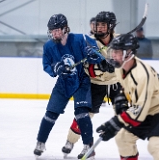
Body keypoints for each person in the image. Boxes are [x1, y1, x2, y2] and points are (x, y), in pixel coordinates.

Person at [33, 13, 100, 159]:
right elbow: (47, 65)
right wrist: (55, 68)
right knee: (51, 113)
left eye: (56, 30)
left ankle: (88, 146)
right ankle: (40, 142)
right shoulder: (49, 46)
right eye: (52, 31)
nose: (53, 33)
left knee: (82, 113)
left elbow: (97, 54)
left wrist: (93, 53)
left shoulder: (79, 39)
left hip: (82, 81)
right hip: (63, 83)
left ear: (65, 29)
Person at [62, 11, 122, 158]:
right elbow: (81, 60)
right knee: (85, 115)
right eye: (97, 25)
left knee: (127, 115)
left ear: (111, 26)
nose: (99, 28)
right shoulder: (88, 41)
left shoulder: (121, 40)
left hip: (116, 83)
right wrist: (97, 63)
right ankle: (74, 142)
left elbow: (130, 60)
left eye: (103, 25)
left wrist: (115, 64)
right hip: (95, 83)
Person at [96, 33, 159, 160]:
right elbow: (123, 86)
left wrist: (116, 122)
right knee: (123, 138)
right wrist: (121, 99)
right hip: (148, 111)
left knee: (155, 146)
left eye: (117, 52)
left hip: (156, 111)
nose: (113, 55)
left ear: (129, 53)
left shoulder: (142, 75)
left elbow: (140, 110)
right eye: (113, 51)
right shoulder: (121, 68)